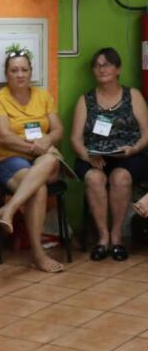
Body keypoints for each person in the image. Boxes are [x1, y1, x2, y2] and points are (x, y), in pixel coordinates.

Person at [0, 49, 65, 273]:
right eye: (14, 70)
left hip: (42, 160)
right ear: (7, 74)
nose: (20, 74)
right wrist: (36, 147)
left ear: (31, 72)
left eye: (24, 69)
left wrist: (47, 140)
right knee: (38, 190)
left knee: (50, 160)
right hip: (10, 160)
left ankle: (9, 209)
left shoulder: (43, 96)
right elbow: (3, 137)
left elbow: (58, 129)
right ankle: (38, 254)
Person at [70, 48, 148, 260]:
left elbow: (146, 133)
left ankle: (117, 238)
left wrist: (134, 149)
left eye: (106, 64)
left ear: (117, 68)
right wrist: (87, 156)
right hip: (93, 156)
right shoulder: (86, 100)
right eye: (97, 65)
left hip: (129, 155)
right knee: (95, 178)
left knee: (120, 178)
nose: (101, 69)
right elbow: (75, 139)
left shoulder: (133, 95)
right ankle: (102, 238)